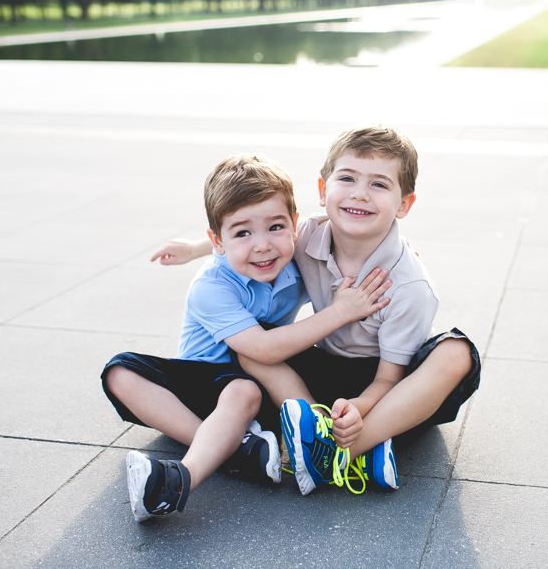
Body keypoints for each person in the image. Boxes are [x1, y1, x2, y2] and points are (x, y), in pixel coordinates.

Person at [151, 126, 482, 496]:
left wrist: (361, 406)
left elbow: (389, 378)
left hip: (390, 390)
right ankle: (314, 427)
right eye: (347, 178)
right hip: (323, 372)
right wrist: (197, 248)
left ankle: (344, 451)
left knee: (457, 354)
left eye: (379, 185)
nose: (359, 193)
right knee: (254, 345)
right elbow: (256, 233)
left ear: (403, 204)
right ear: (323, 191)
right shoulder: (305, 235)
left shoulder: (409, 286)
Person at [103, 154, 391, 522]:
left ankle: (183, 476)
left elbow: (337, 229)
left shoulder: (294, 257)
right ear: (218, 242)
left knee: (246, 389)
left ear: (293, 227)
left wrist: (393, 252)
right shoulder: (210, 287)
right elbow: (262, 348)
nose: (263, 246)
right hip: (201, 387)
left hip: (259, 394)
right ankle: (234, 451)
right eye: (243, 234)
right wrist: (339, 311)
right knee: (118, 372)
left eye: (275, 228)